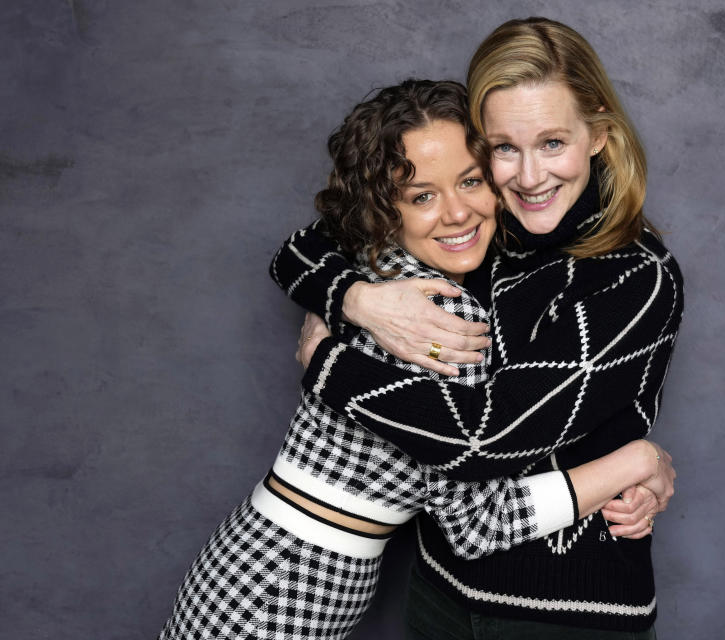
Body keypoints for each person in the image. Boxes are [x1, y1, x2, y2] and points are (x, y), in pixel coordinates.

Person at [160, 79, 674, 640]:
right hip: (280, 585)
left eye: (471, 181)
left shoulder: (377, 267)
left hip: (262, 562)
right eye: (422, 196)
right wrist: (636, 462)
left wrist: (345, 305)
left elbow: (303, 249)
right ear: (385, 209)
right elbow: (478, 525)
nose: (455, 213)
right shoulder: (442, 320)